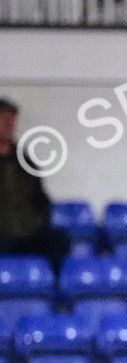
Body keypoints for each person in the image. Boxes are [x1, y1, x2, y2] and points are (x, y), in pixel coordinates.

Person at [0, 97, 70, 273]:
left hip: (29, 231)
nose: (9, 124)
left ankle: (52, 292)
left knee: (59, 240)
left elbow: (40, 196)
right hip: (3, 233)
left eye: (12, 120)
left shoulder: (25, 160)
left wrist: (39, 223)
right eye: (4, 119)